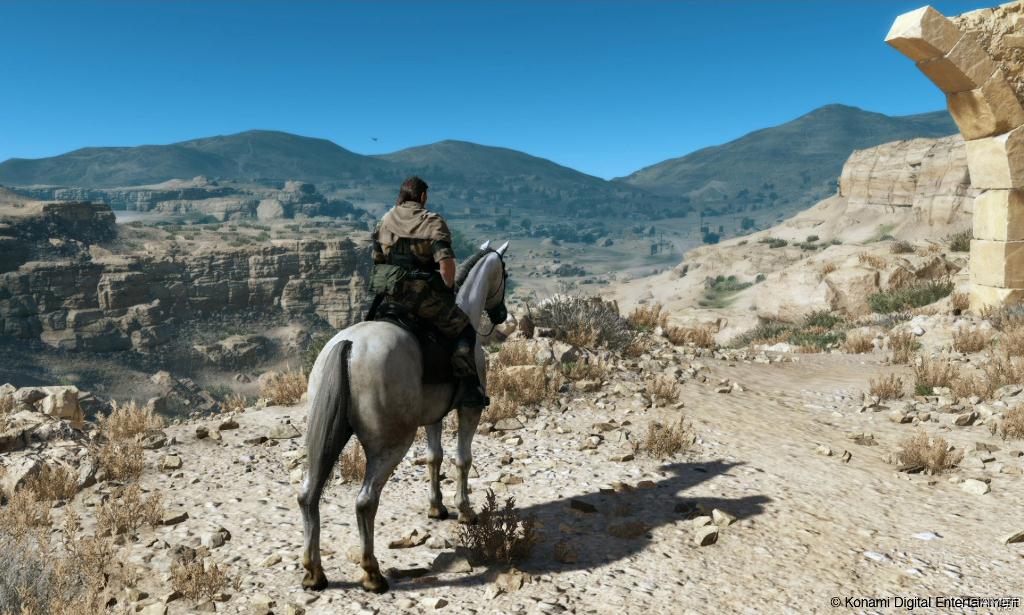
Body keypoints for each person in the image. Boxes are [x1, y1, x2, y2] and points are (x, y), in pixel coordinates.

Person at [369, 176, 488, 408]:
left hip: (390, 296)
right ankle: (469, 390)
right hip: (423, 298)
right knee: (463, 327)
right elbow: (446, 269)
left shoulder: (384, 220)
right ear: (422, 196)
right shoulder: (432, 222)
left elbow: (377, 259)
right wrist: (447, 286)